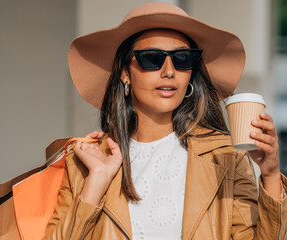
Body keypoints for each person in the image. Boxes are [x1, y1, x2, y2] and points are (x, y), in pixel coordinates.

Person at [43, 2, 287, 239]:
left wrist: (271, 175)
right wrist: (95, 182)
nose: (169, 71)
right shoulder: (84, 163)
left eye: (182, 59)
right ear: (125, 73)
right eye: (151, 58)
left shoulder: (225, 156)